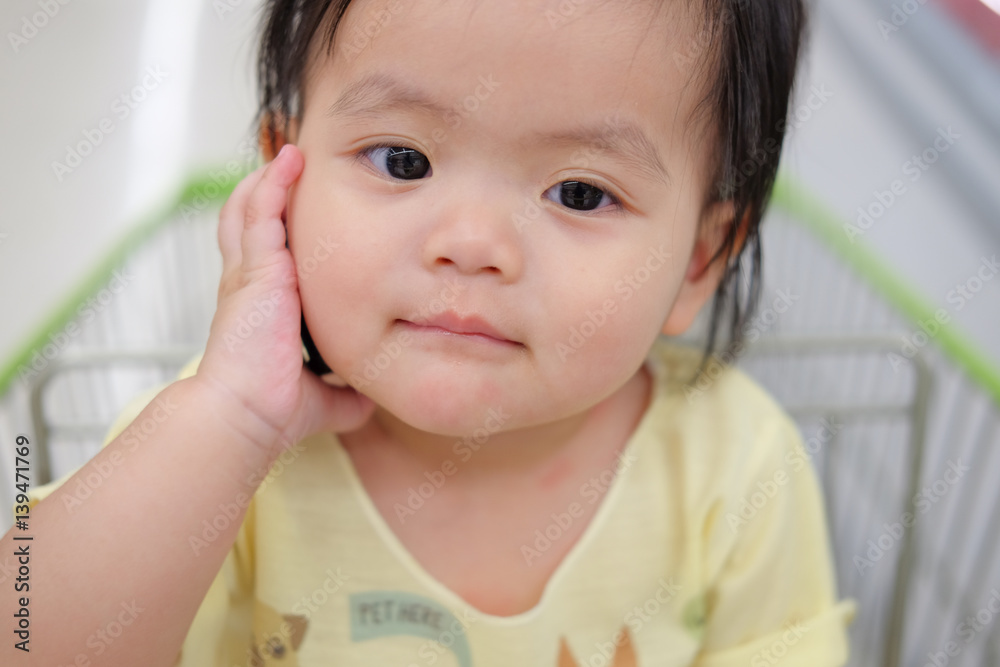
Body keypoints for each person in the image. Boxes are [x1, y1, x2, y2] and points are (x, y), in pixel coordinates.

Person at [3, 0, 856, 664]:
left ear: (699, 261)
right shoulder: (215, 459)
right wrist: (229, 421)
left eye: (581, 193)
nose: (473, 244)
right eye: (403, 160)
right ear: (282, 178)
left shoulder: (733, 468)